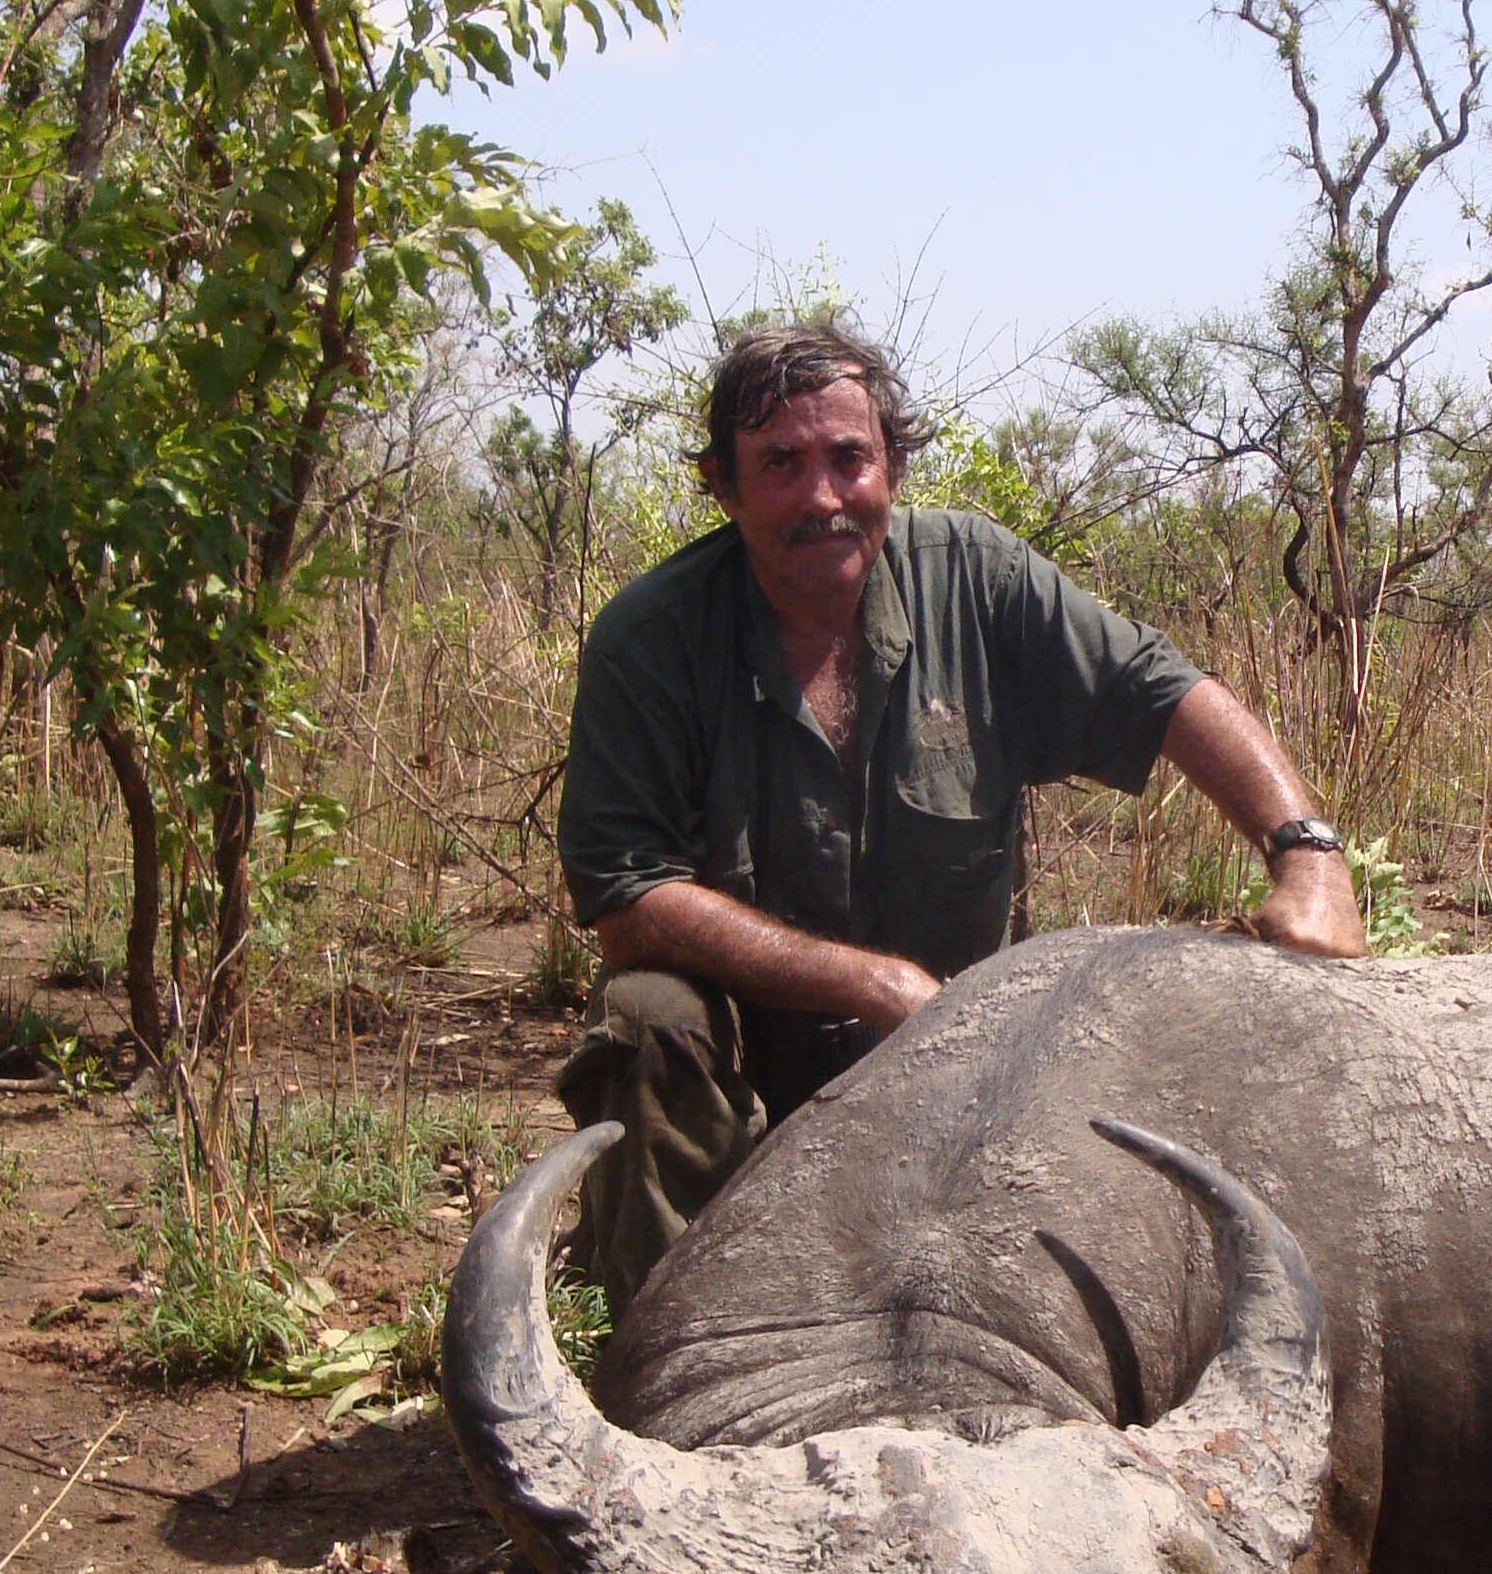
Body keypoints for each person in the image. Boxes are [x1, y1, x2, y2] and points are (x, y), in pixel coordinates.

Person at [551, 321, 1367, 1312]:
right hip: (749, 1078)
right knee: (647, 1024)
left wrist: (1309, 856)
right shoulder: (651, 637)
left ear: (893, 465)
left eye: (849, 458)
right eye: (780, 465)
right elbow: (628, 900)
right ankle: (660, 1349)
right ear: (722, 487)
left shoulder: (974, 577)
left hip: (968, 1065)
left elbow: (1164, 695)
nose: (822, 498)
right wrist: (868, 980)